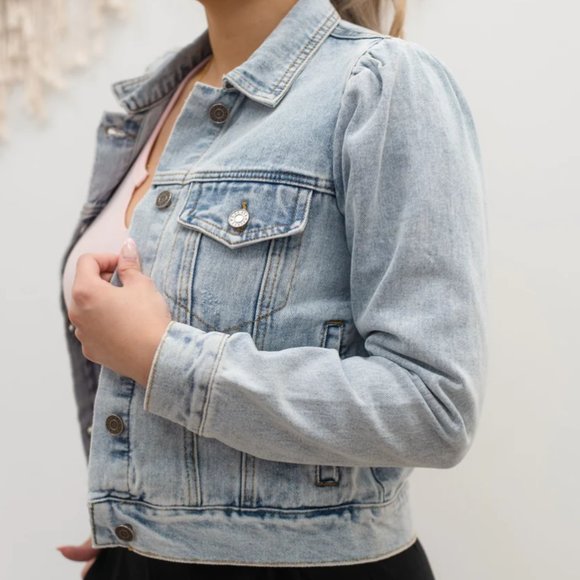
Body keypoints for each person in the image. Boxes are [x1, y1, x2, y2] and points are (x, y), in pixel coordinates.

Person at [56, 0, 488, 578]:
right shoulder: (155, 102)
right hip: (134, 556)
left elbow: (434, 407)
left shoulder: (381, 83)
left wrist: (161, 356)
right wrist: (136, 503)